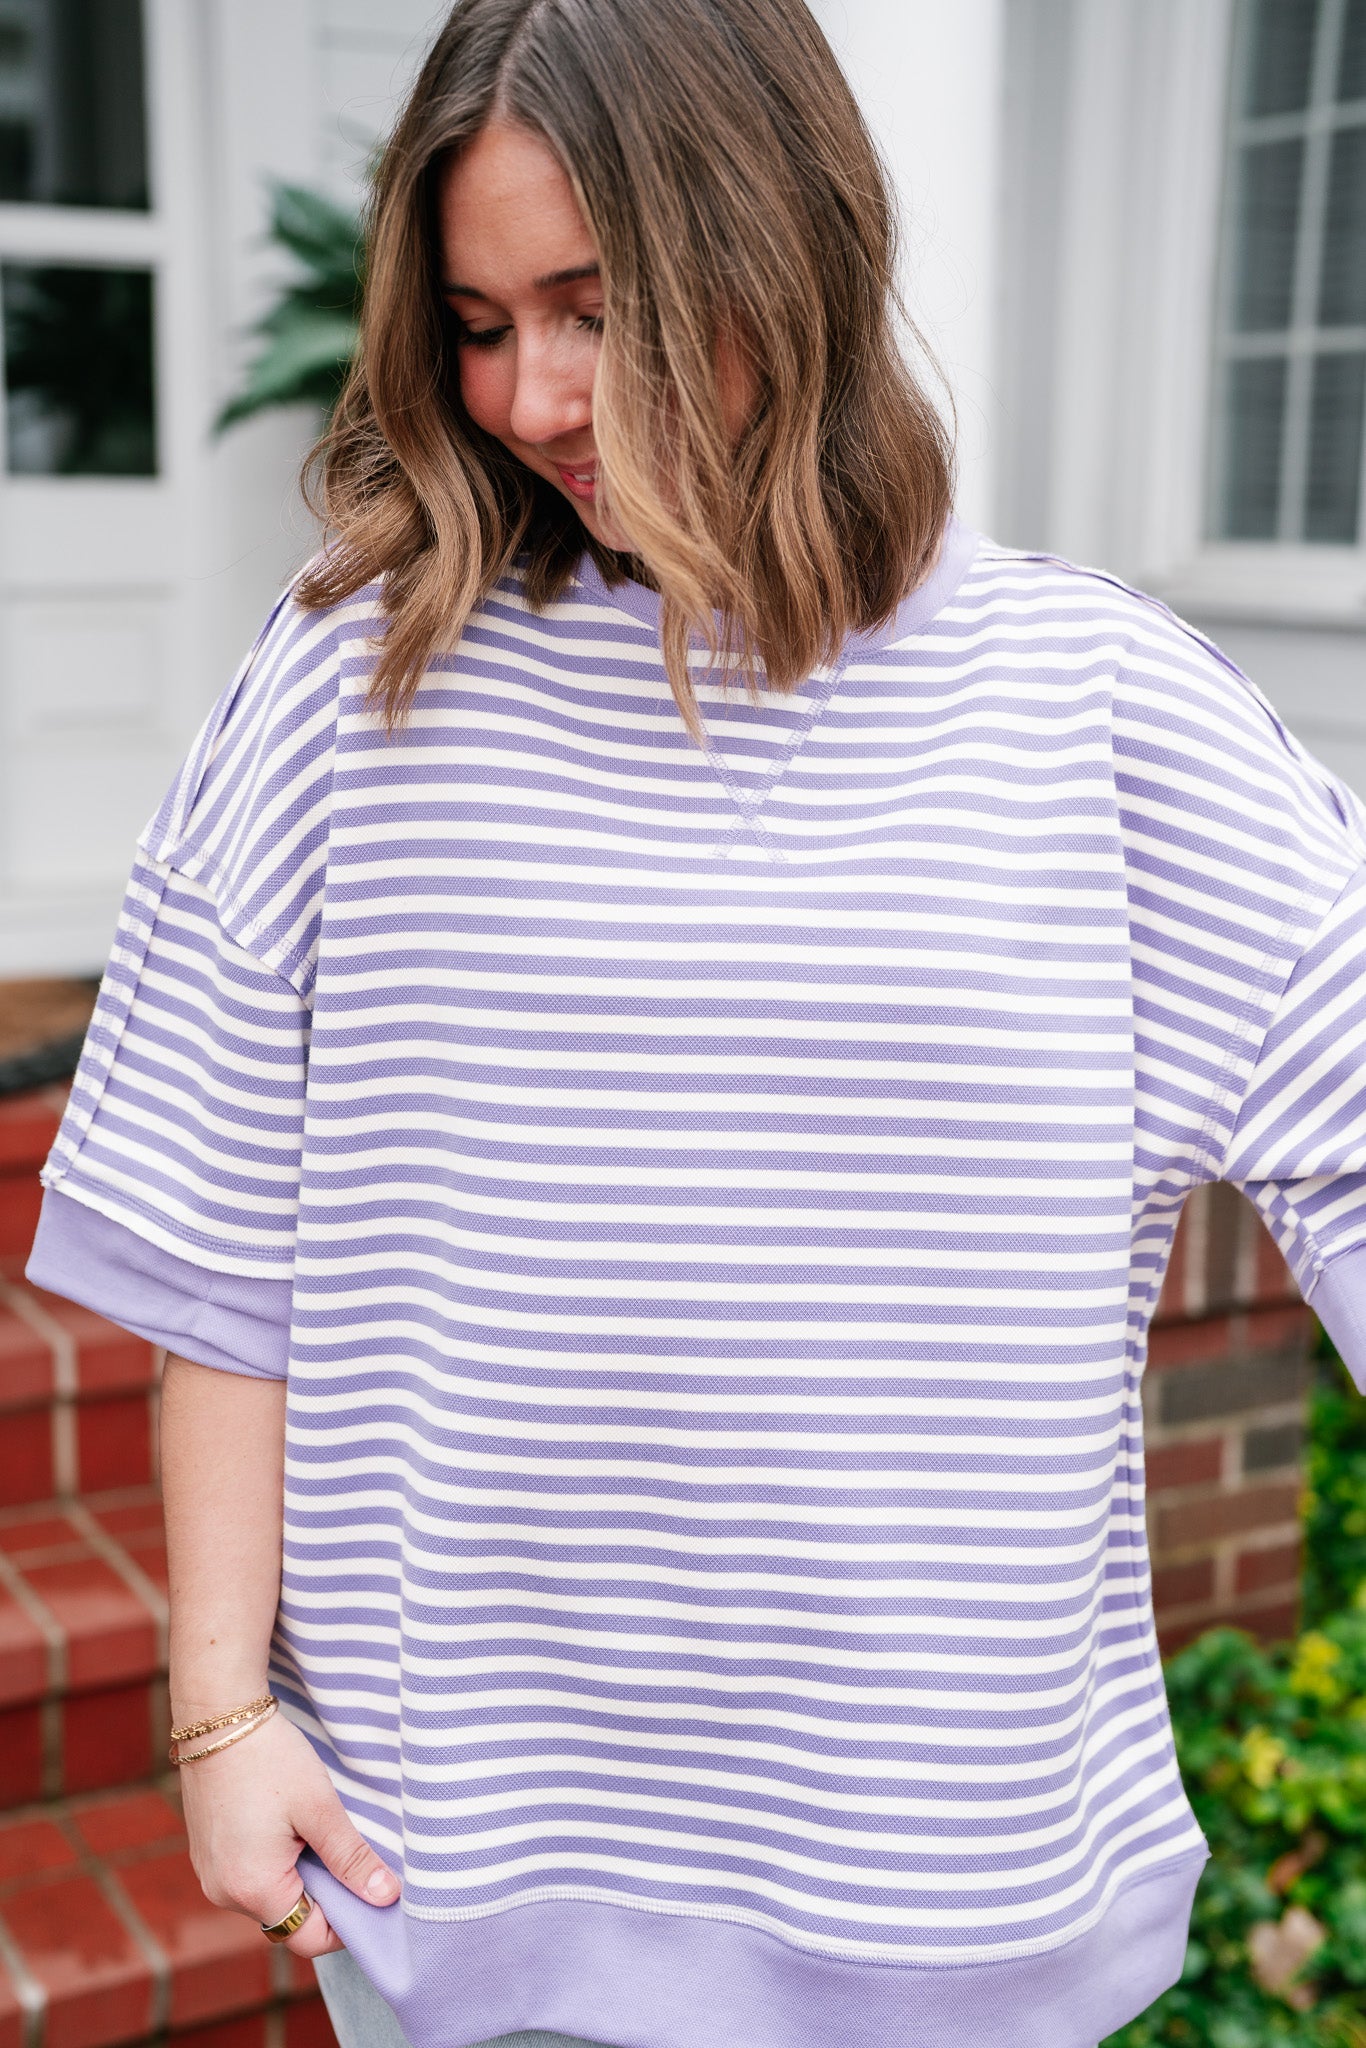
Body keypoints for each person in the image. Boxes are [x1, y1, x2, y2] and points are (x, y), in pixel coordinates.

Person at [26, 1, 1366, 2044]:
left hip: (937, 1912)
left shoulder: (1095, 713)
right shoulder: (348, 684)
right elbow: (216, 1253)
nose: (532, 396)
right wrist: (219, 1713)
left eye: (597, 308)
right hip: (452, 1882)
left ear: (782, 244)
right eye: (478, 325)